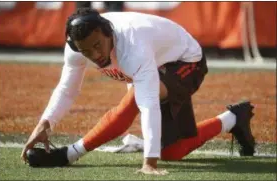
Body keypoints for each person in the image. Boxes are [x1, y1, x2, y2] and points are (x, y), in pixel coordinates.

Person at [21, 8, 255, 175]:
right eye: (86, 51)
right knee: (173, 152)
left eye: (97, 46)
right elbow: (67, 89)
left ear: (108, 33)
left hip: (186, 62)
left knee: (134, 101)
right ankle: (234, 119)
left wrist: (149, 163)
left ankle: (69, 154)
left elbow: (147, 103)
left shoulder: (133, 47)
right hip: (156, 61)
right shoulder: (77, 47)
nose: (95, 56)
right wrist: (45, 122)